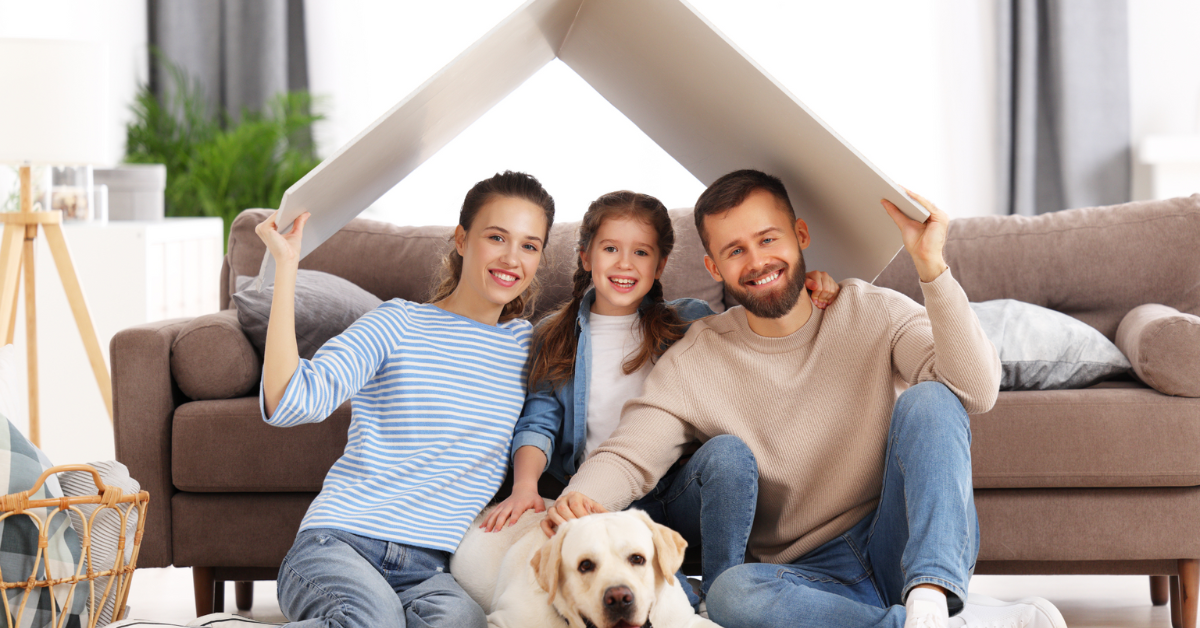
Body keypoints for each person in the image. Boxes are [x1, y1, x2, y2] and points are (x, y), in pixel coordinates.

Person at [542, 170, 1067, 628]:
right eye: (735, 251)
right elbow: (632, 452)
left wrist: (931, 266)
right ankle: (933, 624)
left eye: (768, 239)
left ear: (800, 236)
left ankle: (930, 603)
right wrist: (573, 506)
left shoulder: (872, 311)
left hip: (897, 545)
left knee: (932, 399)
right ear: (712, 268)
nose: (756, 261)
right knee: (729, 593)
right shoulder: (696, 357)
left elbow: (975, 390)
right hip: (803, 580)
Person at [199, 171, 554, 628]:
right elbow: (291, 400)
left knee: (463, 623)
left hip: (431, 569)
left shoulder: (530, 347)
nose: (511, 257)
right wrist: (287, 269)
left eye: (529, 245)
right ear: (462, 240)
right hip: (340, 544)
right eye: (497, 237)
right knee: (371, 622)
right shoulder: (397, 323)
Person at [478, 190, 841, 610]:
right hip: (609, 501)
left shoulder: (690, 320)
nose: (625, 264)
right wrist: (525, 487)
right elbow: (537, 423)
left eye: (642, 252)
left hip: (680, 489)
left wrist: (808, 286)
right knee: (666, 604)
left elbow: (760, 316)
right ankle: (689, 598)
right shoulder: (553, 334)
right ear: (585, 257)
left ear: (661, 264)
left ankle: (727, 587)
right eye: (611, 249)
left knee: (728, 453)